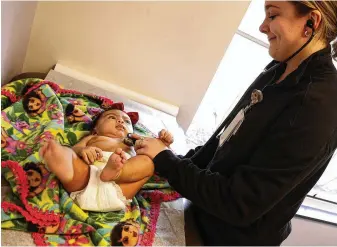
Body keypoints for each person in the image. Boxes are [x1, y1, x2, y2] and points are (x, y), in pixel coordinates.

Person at [131, 1, 337, 245]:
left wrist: (167, 162)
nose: (262, 27)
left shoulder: (317, 105)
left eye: (272, 15)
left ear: (311, 22)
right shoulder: (278, 69)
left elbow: (239, 204)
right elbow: (222, 142)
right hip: (201, 211)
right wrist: (166, 161)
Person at [40, 105, 173, 212]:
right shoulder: (93, 138)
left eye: (126, 121)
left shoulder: (134, 142)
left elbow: (155, 153)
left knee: (148, 163)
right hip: (89, 177)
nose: (121, 121)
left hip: (121, 187)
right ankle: (60, 160)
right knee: (73, 162)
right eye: (112, 117)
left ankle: (116, 173)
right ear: (95, 129)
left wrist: (162, 143)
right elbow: (76, 149)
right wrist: (83, 150)